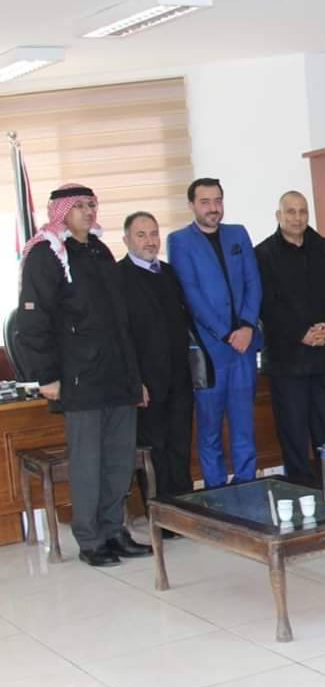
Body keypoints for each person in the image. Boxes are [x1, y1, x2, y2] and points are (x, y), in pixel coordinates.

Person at [16, 184, 151, 567]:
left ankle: (114, 530)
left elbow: (120, 322)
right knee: (88, 461)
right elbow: (33, 320)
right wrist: (45, 374)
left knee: (119, 459)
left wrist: (135, 377)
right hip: (79, 377)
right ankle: (91, 540)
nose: (88, 211)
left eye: (91, 204)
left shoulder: (99, 250)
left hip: (117, 375)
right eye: (78, 206)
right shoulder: (47, 253)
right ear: (60, 211)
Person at [168, 178, 262, 488]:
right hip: (209, 351)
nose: (213, 207)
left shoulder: (238, 234)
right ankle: (216, 490)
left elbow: (253, 282)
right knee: (209, 429)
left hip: (244, 346)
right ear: (191, 205)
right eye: (205, 201)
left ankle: (247, 485)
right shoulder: (179, 241)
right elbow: (191, 294)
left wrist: (246, 326)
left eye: (217, 200)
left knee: (243, 425)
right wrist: (226, 333)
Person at [255, 191, 325, 487]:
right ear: (278, 216)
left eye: (302, 211)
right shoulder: (263, 254)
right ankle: (300, 487)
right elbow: (267, 305)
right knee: (292, 429)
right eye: (290, 211)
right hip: (287, 358)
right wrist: (300, 333)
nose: (297, 218)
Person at [119, 212, 194, 518]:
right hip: (146, 382)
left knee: (180, 445)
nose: (150, 241)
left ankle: (185, 513)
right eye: (141, 235)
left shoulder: (169, 273)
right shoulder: (118, 277)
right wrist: (134, 381)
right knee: (154, 451)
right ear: (126, 240)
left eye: (153, 234)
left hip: (179, 377)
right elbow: (121, 336)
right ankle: (161, 516)